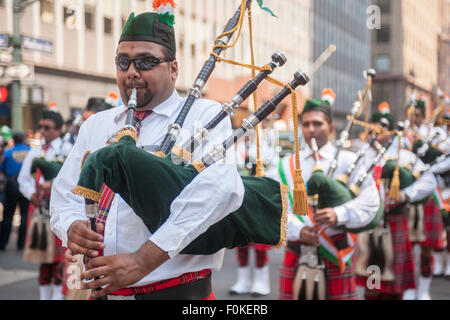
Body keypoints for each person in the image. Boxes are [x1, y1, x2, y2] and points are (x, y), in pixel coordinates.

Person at [50, 7, 244, 300]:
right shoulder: (96, 125)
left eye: (146, 61)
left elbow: (217, 191)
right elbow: (65, 194)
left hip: (178, 294)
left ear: (173, 69)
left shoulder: (204, 116)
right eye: (123, 61)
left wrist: (143, 260)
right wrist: (71, 226)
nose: (132, 71)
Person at [272, 92, 381, 300]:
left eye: (317, 123)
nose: (311, 129)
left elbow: (370, 201)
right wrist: (298, 229)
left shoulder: (350, 160)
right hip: (298, 249)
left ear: (331, 128)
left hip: (336, 250)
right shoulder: (286, 164)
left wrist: (338, 214)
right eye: (306, 124)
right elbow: (276, 205)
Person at [18, 110, 73, 300]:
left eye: (47, 128)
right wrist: (31, 193)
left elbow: (73, 178)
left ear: (58, 129)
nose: (43, 131)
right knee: (44, 260)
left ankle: (57, 297)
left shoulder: (67, 150)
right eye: (41, 127)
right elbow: (23, 179)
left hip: (60, 211)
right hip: (39, 212)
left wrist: (53, 184)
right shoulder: (35, 152)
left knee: (60, 261)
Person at [410, 99, 445, 299]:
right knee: (405, 250)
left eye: (416, 115)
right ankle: (408, 289)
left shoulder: (433, 134)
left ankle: (423, 291)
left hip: (427, 196)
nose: (414, 118)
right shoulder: (401, 136)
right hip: (407, 199)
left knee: (426, 249)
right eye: (411, 114)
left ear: (423, 115)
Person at [0, 132, 31, 250]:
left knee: (8, 215)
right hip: (26, 186)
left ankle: (3, 244)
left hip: (11, 185)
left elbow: (2, 169)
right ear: (23, 139)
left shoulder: (8, 152)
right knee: (24, 214)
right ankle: (21, 244)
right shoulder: (29, 151)